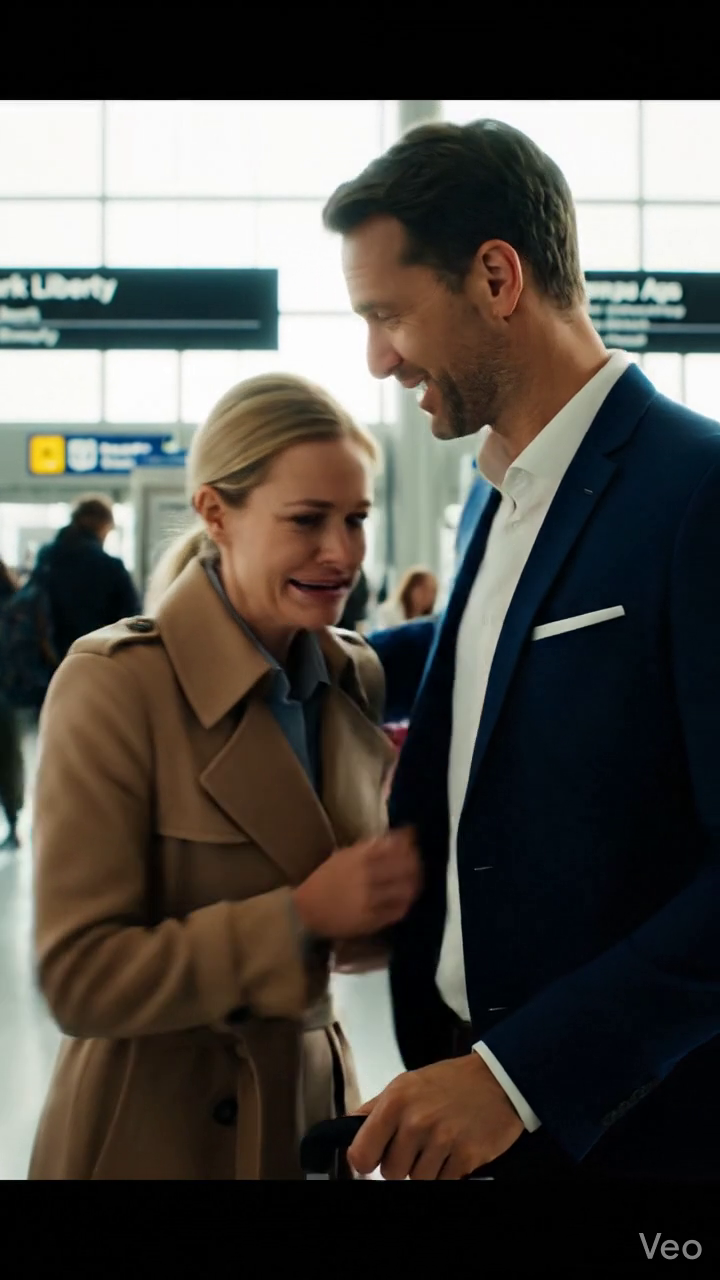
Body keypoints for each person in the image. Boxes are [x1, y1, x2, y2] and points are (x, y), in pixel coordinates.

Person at [321, 118, 720, 1181]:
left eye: (389, 313)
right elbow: (492, 660)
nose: (377, 357)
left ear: (497, 276)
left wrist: (518, 1075)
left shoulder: (699, 494)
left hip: (621, 1121)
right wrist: (314, 653)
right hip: (463, 1091)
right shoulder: (493, 494)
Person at [28, 372, 420, 1180]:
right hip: (154, 1132)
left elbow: (340, 916)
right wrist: (302, 915)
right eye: (307, 521)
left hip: (305, 1111)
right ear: (215, 513)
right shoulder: (116, 683)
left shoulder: (352, 676)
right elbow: (78, 979)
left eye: (356, 520)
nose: (342, 553)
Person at [36, 494, 141, 663]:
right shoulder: (110, 567)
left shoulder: (46, 559)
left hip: (46, 660)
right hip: (95, 660)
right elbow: (131, 620)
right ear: (103, 526)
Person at [0, 559, 24, 851]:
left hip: (5, 693)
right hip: (8, 693)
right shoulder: (16, 604)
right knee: (8, 761)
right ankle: (13, 824)